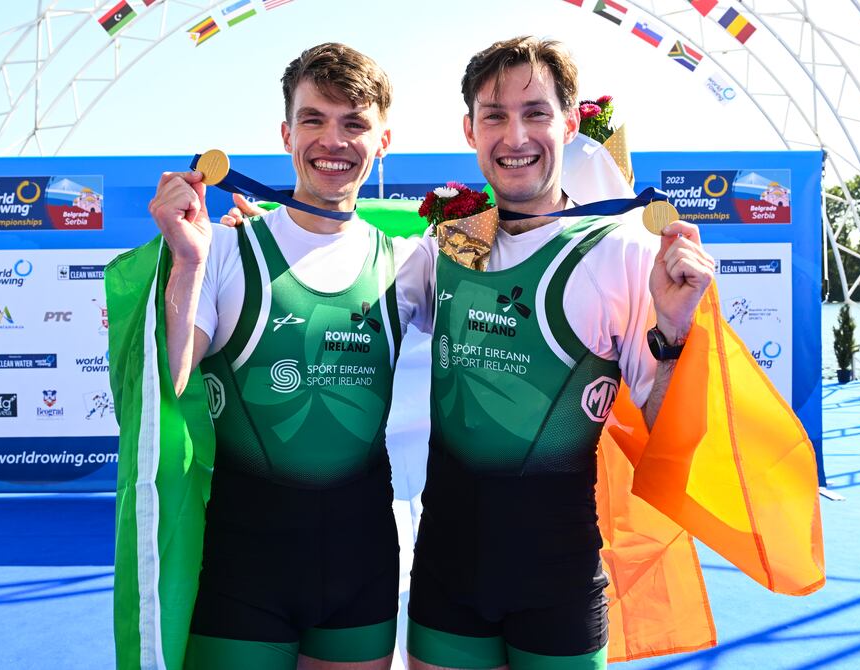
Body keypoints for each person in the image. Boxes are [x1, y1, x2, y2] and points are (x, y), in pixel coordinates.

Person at [405, 36, 716, 670]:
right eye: (494, 115)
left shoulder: (622, 252)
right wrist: (256, 237)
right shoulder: (448, 246)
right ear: (470, 130)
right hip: (445, 575)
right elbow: (344, 274)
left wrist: (677, 329)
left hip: (559, 582)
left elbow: (664, 432)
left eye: (535, 112)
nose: (514, 134)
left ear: (571, 124)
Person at [141, 42, 432, 670]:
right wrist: (186, 262)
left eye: (354, 123)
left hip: (362, 565)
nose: (334, 140)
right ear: (285, 133)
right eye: (314, 119)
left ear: (384, 141)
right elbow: (172, 381)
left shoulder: (409, 263)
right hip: (242, 572)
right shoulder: (221, 251)